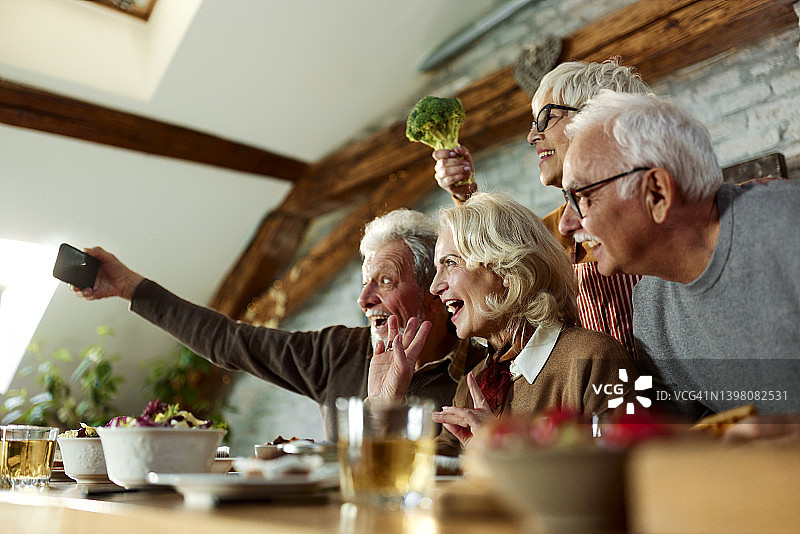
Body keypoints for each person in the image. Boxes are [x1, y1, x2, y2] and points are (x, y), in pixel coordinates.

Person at [74, 209, 487, 439]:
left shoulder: (483, 371)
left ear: (433, 290)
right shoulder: (340, 351)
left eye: (384, 282)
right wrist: (129, 286)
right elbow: (228, 341)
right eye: (364, 285)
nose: (364, 301)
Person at [558, 90, 800, 430]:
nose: (565, 224)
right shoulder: (650, 305)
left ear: (657, 191)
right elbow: (671, 437)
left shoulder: (790, 225)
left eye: (580, 197)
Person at [370, 192, 636, 456]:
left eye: (450, 263)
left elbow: (619, 482)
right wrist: (384, 408)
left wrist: (507, 452)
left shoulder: (594, 360)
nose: (435, 286)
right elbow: (425, 482)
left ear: (506, 269)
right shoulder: (472, 384)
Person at [433, 59, 651, 359]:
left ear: (597, 119)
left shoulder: (660, 216)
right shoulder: (551, 233)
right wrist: (466, 196)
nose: (532, 136)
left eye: (545, 119)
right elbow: (494, 266)